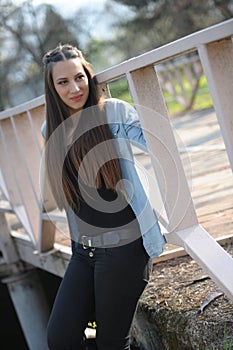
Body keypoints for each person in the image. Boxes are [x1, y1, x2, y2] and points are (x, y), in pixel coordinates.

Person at [41, 43, 166, 350]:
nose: (75, 87)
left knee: (112, 343)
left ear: (89, 75)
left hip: (125, 248)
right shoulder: (50, 129)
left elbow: (158, 142)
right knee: (60, 338)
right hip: (84, 253)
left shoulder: (111, 111)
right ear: (52, 88)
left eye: (79, 77)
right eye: (63, 82)